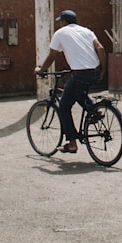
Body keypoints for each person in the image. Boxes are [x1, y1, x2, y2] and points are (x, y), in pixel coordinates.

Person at [34, 9, 107, 153]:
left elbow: (52, 56)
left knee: (63, 107)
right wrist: (103, 69)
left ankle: (72, 143)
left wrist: (41, 70)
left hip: (80, 73)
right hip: (94, 72)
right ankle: (95, 110)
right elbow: (100, 48)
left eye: (60, 21)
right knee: (77, 92)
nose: (60, 24)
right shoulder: (87, 31)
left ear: (63, 22)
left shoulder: (60, 33)